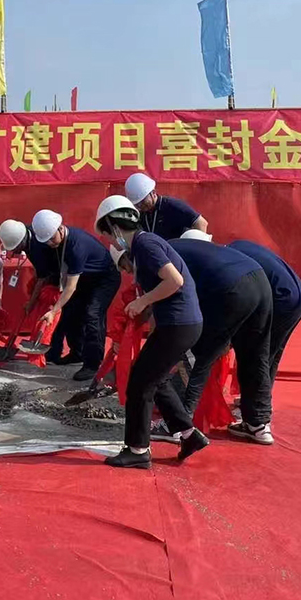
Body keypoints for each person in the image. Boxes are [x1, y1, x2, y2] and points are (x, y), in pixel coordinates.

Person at [94, 197, 208, 468]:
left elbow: (175, 281)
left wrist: (142, 301)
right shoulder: (144, 245)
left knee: (140, 383)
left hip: (179, 324)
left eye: (108, 235)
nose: (111, 242)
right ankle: (189, 435)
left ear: (115, 227)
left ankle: (138, 450)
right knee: (157, 379)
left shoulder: (145, 244)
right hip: (180, 323)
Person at [168, 230, 275, 445]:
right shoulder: (210, 255)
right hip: (261, 284)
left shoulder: (164, 254)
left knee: (197, 355)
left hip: (234, 288)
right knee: (256, 356)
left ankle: (179, 424)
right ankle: (259, 424)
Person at [228, 239, 301, 436]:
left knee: (254, 355)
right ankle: (258, 403)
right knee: (270, 355)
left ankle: (257, 423)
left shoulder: (231, 260)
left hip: (281, 300)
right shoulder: (238, 247)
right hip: (300, 297)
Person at [31, 209, 120, 382]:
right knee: (71, 311)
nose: (50, 243)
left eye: (51, 238)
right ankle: (77, 353)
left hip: (104, 278)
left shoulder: (76, 245)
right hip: (85, 278)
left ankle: (92, 364)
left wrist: (54, 310)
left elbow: (71, 287)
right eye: (46, 241)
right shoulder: (57, 243)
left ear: (60, 228)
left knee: (93, 315)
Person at [124, 172, 208, 240]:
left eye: (143, 201)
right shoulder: (141, 214)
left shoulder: (172, 206)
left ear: (153, 193)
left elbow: (201, 223)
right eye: (137, 204)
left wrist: (198, 248)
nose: (140, 206)